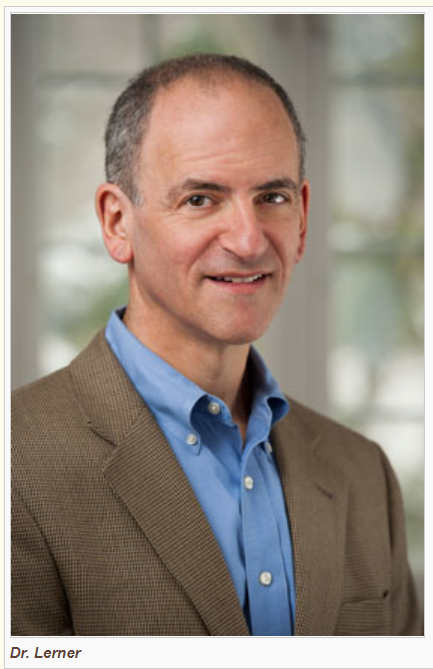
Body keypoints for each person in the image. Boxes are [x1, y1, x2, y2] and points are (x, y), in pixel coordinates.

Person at [12, 53, 422, 637]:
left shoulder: (364, 475)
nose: (249, 239)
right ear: (116, 222)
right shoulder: (16, 463)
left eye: (272, 198)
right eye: (201, 199)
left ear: (303, 217)